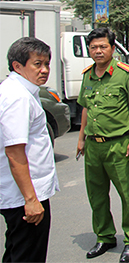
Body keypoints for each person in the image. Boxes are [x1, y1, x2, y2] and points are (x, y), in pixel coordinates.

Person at [76, 28, 129, 263]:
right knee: (96, 195)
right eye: (94, 47)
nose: (98, 51)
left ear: (113, 48)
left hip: (119, 145)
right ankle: (105, 236)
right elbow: (85, 107)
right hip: (93, 146)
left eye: (103, 46)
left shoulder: (125, 73)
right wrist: (81, 138)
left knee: (128, 195)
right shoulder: (87, 75)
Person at [0, 37, 59, 263]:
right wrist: (31, 200)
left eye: (47, 63)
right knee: (28, 255)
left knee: (17, 251)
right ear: (17, 66)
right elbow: (14, 153)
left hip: (24, 194)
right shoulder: (17, 97)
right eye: (37, 64)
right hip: (24, 197)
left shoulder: (22, 91)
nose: (44, 70)